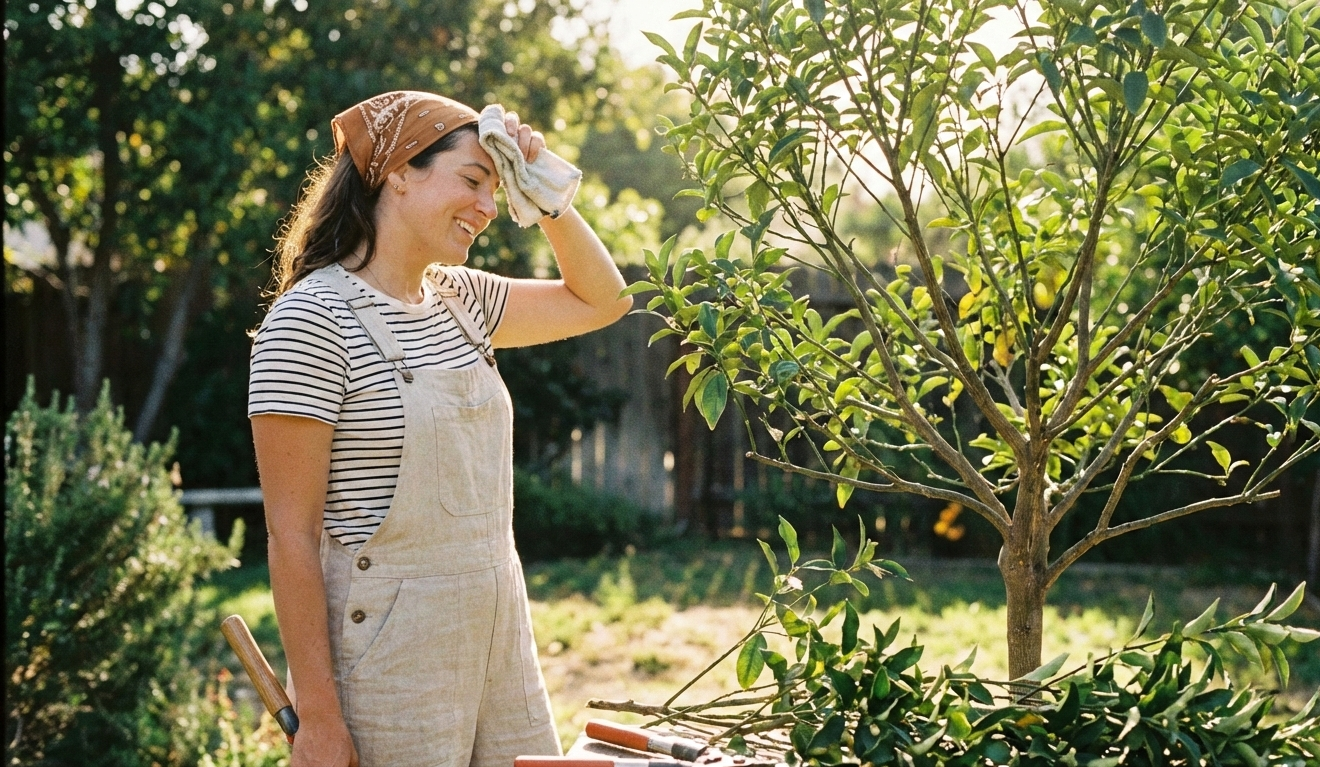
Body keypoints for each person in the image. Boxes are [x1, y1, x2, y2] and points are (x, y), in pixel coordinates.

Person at [247, 91, 632, 767]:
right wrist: (321, 715)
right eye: (474, 181)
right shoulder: (310, 323)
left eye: (498, 186)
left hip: (498, 642)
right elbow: (291, 535)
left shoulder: (463, 299)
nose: (489, 208)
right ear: (399, 171)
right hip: (389, 661)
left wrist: (545, 192)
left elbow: (606, 300)